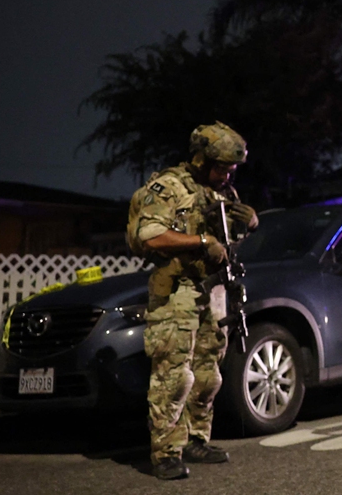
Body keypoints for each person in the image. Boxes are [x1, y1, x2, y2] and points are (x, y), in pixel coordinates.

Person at [126, 122, 258, 480]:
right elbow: (149, 236)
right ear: (200, 159)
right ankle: (165, 452)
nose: (227, 173)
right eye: (221, 166)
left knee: (207, 374)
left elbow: (226, 243)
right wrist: (200, 242)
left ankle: (196, 439)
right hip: (177, 292)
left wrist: (246, 225)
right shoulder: (168, 188)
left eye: (232, 168)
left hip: (212, 290)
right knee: (174, 375)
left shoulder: (222, 191)